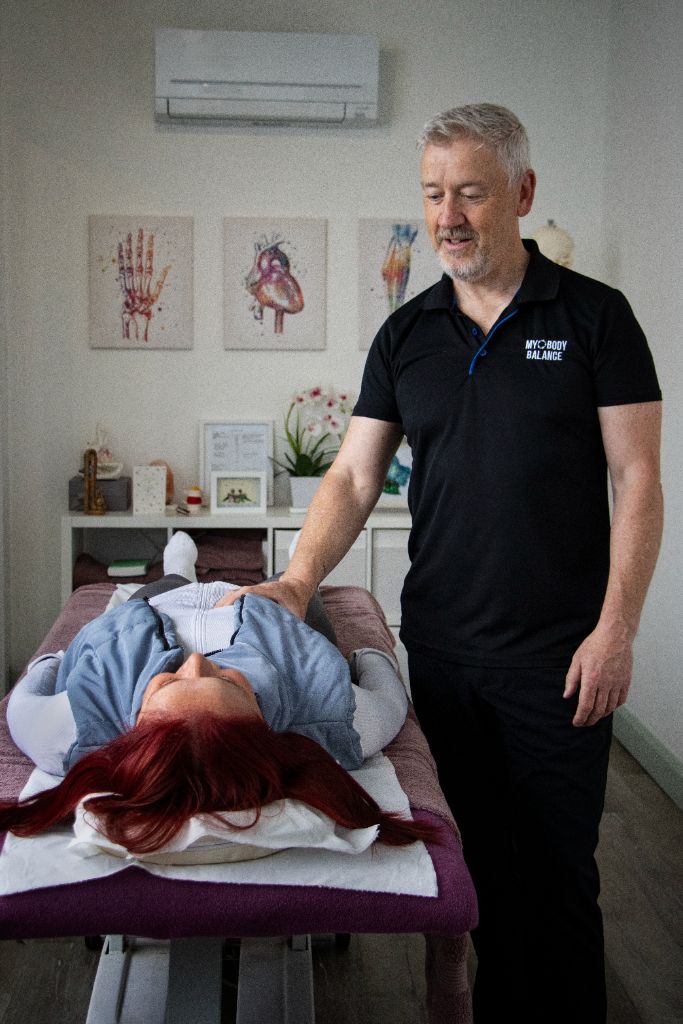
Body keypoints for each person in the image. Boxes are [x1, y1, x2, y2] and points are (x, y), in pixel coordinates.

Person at [217, 105, 664, 1023]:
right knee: (469, 864)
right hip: (446, 655)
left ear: (522, 194)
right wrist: (298, 580)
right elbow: (351, 472)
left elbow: (640, 478)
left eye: (469, 191)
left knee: (556, 879)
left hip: (561, 659)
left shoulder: (594, 318)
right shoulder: (408, 333)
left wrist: (617, 628)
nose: (447, 215)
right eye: (432, 193)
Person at [2, 532, 437, 855]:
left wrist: (51, 663)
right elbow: (391, 698)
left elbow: (24, 700)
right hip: (270, 618)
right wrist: (367, 656)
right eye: (227, 682)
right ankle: (294, 565)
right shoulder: (329, 719)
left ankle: (178, 567)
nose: (193, 664)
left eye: (170, 683)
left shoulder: (73, 729)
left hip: (161, 613)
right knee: (301, 597)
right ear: (265, 730)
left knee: (165, 584)